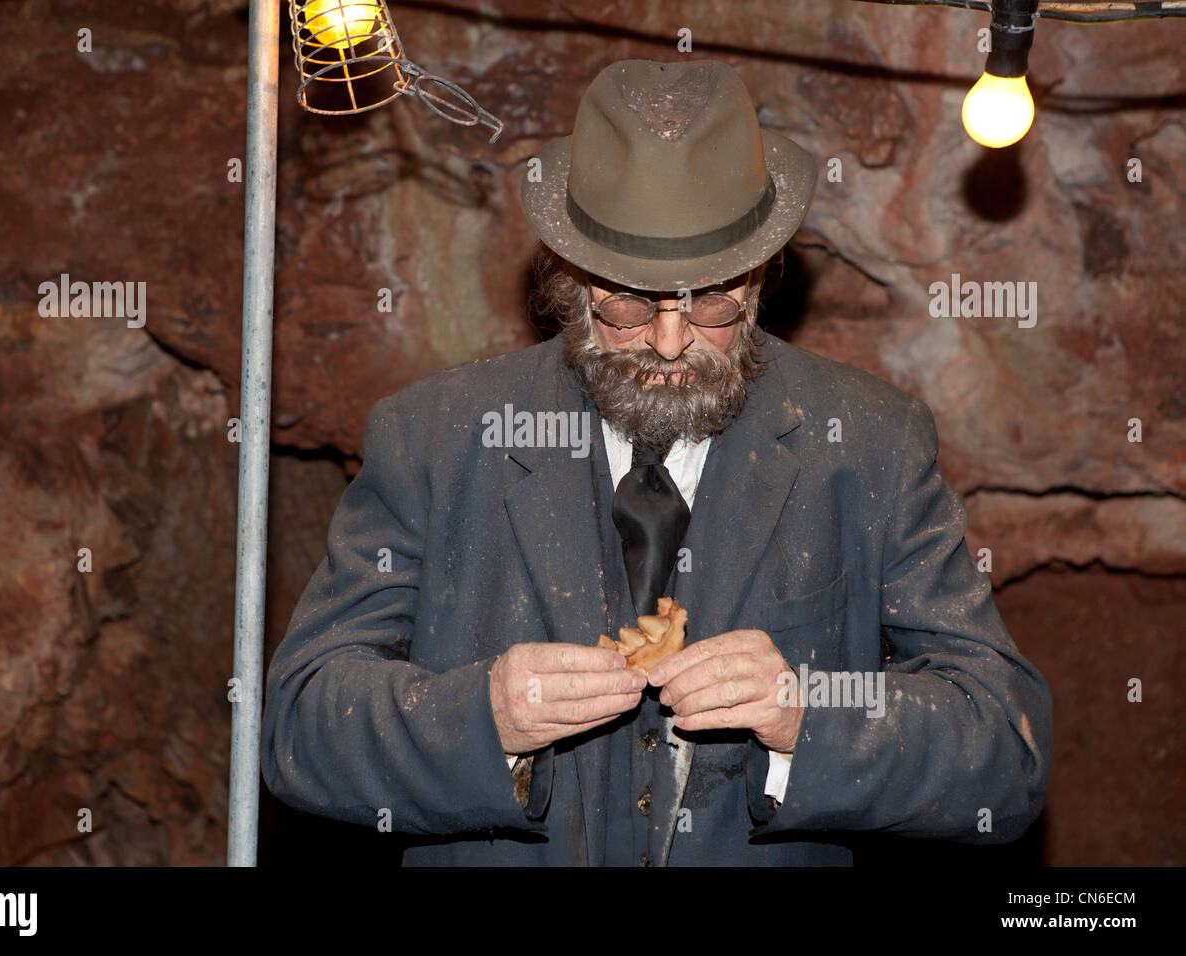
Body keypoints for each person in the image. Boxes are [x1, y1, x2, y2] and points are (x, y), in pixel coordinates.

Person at [261, 58, 1052, 866]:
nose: (671, 342)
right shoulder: (436, 437)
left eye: (712, 298)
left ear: (761, 273)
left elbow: (1005, 750)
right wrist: (478, 716)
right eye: (629, 301)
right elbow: (299, 725)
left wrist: (809, 716)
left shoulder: (869, 442)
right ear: (569, 279)